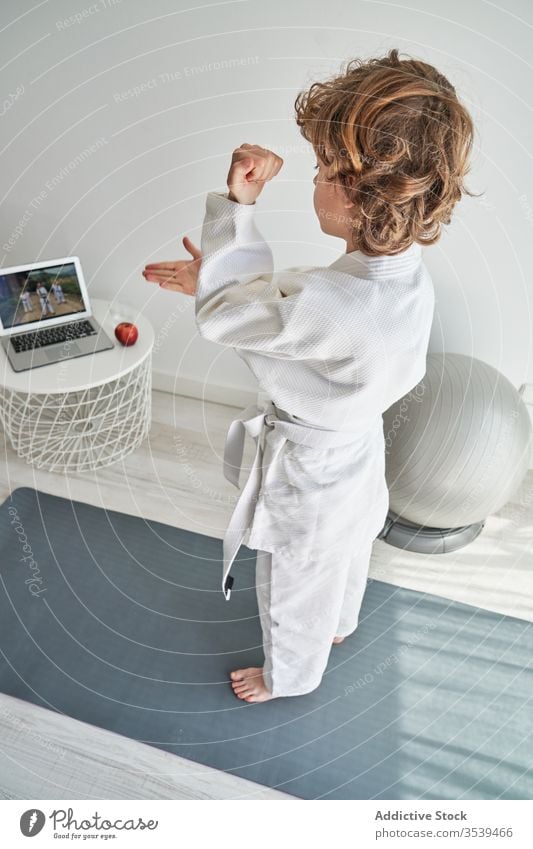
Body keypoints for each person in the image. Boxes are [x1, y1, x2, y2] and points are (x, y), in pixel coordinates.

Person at [143, 48, 475, 702]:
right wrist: (223, 283)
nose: (314, 178)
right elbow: (292, 305)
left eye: (324, 168)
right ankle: (340, 623)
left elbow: (232, 318)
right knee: (346, 552)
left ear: (361, 192)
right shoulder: (400, 273)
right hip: (354, 456)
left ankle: (288, 675)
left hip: (310, 474)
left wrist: (237, 213)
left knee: (291, 582)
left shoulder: (334, 305)